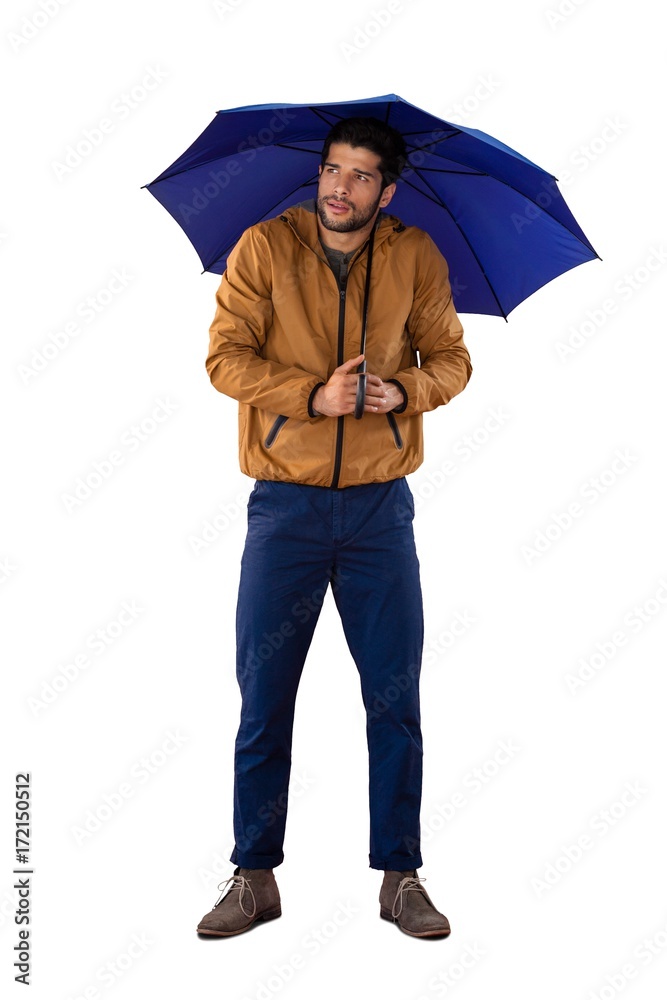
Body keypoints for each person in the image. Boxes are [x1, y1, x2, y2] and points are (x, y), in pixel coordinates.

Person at [196, 117, 472, 939]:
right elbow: (223, 357)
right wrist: (311, 396)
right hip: (285, 507)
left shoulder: (414, 254)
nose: (338, 188)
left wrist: (406, 392)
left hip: (382, 512)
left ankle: (401, 876)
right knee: (263, 699)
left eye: (358, 176)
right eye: (330, 170)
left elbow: (451, 359)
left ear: (386, 191)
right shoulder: (263, 248)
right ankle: (253, 875)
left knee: (394, 701)